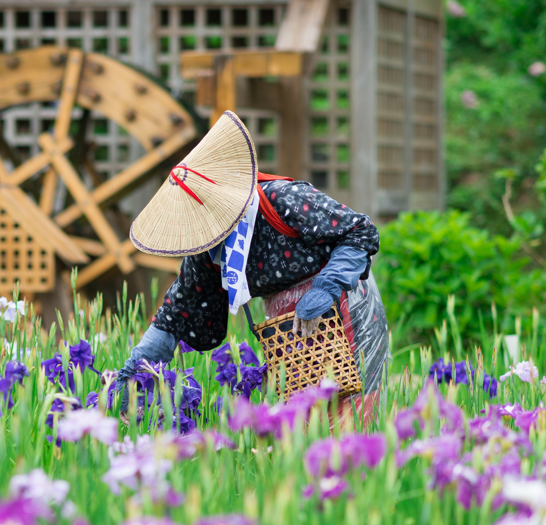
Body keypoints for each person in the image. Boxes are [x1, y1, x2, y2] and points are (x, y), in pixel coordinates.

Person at [117, 111, 389, 426]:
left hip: (343, 304)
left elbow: (360, 232)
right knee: (304, 418)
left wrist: (326, 287)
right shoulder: (210, 246)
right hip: (290, 327)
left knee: (353, 410)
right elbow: (178, 313)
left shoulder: (283, 199)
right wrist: (136, 368)